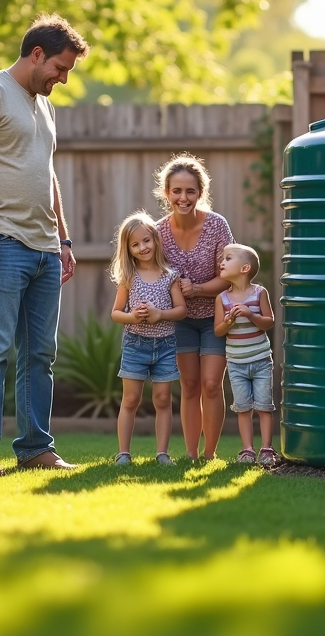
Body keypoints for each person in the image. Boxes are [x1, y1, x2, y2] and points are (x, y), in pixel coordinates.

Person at [0, 14, 89, 477]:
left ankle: (35, 448)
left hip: (45, 248)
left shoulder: (45, 107)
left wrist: (63, 238)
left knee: (40, 355)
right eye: (59, 68)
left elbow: (47, 174)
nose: (62, 79)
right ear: (36, 54)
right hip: (2, 242)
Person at [153, 154, 234, 460]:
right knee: (189, 385)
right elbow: (150, 272)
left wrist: (198, 289)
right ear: (166, 193)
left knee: (212, 384)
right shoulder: (158, 232)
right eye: (177, 191)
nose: (183, 198)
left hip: (215, 318)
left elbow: (228, 275)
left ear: (201, 193)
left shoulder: (217, 226)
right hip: (180, 320)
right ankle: (190, 453)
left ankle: (210, 454)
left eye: (190, 191)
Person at [109, 210, 186, 466]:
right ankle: (123, 453)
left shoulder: (169, 275)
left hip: (165, 345)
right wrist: (133, 317)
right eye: (135, 244)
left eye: (146, 241)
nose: (142, 247)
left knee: (163, 400)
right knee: (130, 399)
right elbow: (116, 313)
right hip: (135, 345)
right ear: (128, 249)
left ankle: (162, 453)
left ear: (155, 239)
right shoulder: (128, 278)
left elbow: (181, 310)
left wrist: (159, 314)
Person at [213, 244, 278, 466]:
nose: (221, 262)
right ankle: (247, 450)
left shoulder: (260, 293)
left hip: (260, 360)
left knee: (264, 406)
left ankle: (267, 449)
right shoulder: (222, 299)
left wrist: (251, 314)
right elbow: (218, 330)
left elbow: (269, 322)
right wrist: (228, 321)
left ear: (244, 268)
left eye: (227, 258)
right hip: (236, 363)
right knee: (242, 408)